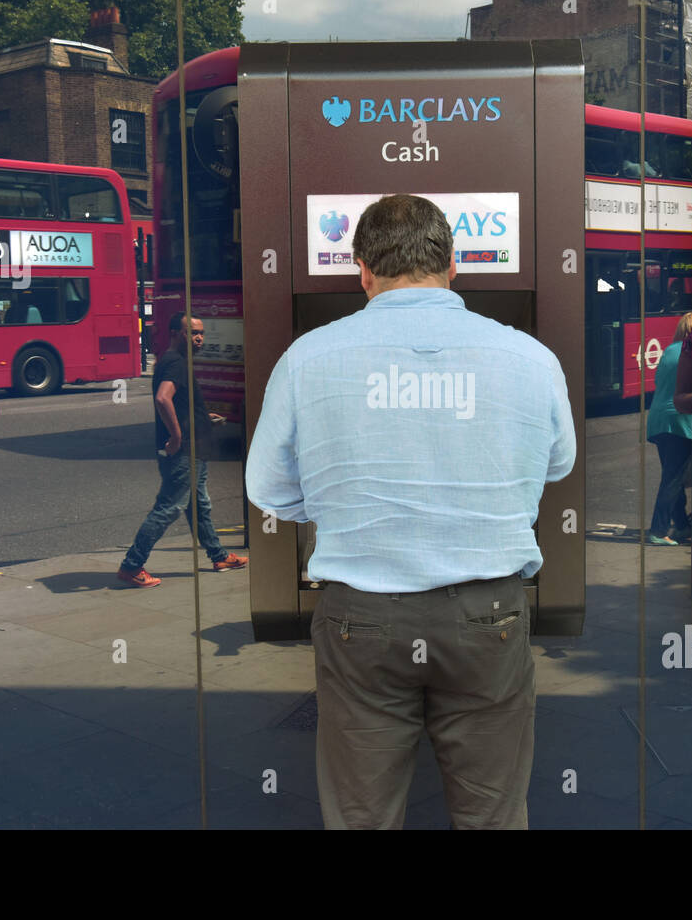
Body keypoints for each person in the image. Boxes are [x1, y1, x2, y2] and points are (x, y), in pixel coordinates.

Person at [246, 194, 576, 829]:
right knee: (494, 815)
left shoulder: (307, 357)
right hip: (490, 614)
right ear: (453, 264)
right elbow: (556, 465)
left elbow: (268, 487)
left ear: (363, 269)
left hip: (360, 618)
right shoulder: (530, 357)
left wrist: (341, 506)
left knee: (362, 816)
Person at [116, 311, 248, 587]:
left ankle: (218, 555)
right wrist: (176, 436)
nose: (199, 338)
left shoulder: (174, 361)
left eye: (201, 333)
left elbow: (177, 403)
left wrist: (203, 417)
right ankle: (131, 565)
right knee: (170, 507)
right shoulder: (176, 362)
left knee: (199, 505)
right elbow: (163, 399)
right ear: (176, 333)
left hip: (194, 447)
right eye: (193, 333)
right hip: (184, 450)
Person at [648, 312, 692, 545]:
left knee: (672, 475)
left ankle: (683, 526)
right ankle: (658, 530)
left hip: (658, 419)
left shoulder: (669, 350)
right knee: (674, 479)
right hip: (680, 420)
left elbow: (658, 382)